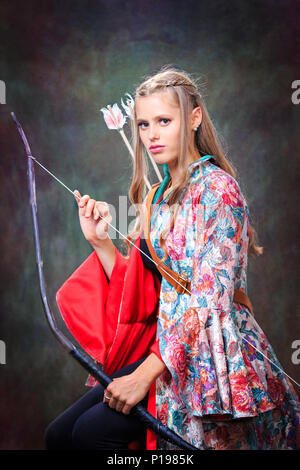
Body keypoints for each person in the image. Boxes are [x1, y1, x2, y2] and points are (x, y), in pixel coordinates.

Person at [45, 66, 300, 450]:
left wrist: (143, 376)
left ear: (194, 117)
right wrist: (101, 244)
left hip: (210, 355)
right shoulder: (158, 198)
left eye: (164, 120)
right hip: (166, 347)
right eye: (144, 124)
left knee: (90, 435)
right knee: (60, 436)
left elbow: (206, 304)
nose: (152, 135)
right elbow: (146, 294)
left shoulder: (217, 189)